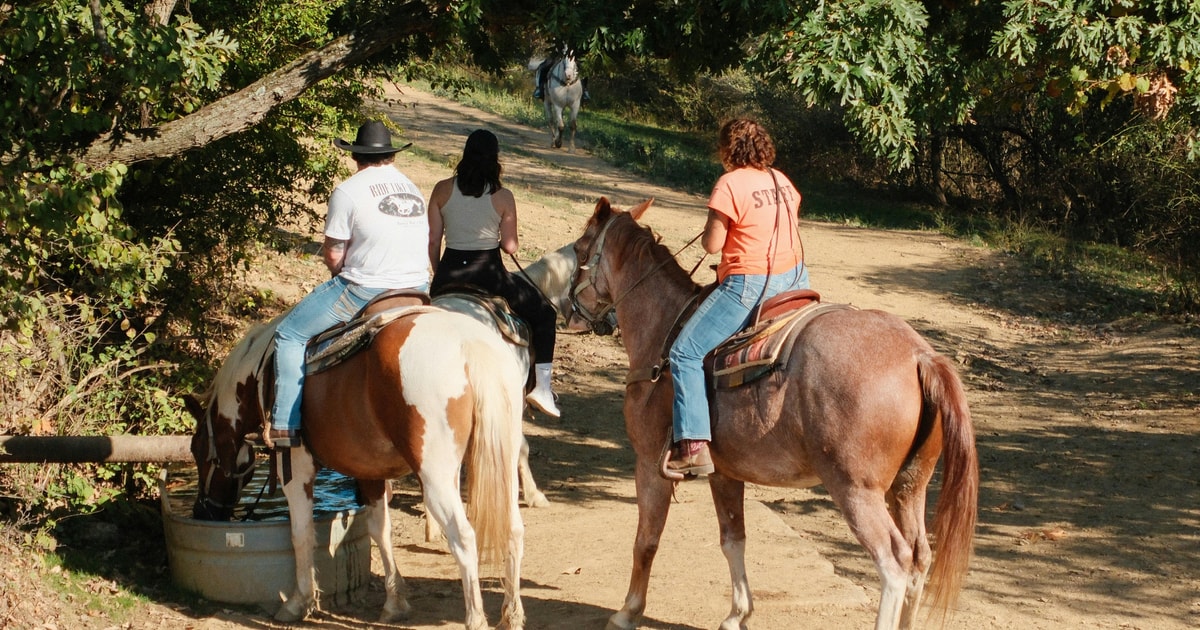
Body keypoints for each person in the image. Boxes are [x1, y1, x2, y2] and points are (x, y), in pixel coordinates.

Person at [266, 120, 429, 449]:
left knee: (290, 334)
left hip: (366, 287)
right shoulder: (412, 188)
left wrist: (338, 272)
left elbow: (334, 253)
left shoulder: (348, 191)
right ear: (391, 156)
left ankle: (285, 425)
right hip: (419, 288)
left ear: (357, 156)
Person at [664, 118, 809, 477]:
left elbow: (712, 244)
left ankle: (694, 445)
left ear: (728, 149)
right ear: (763, 146)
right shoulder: (782, 181)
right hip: (795, 278)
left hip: (751, 285)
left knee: (684, 353)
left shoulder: (729, 184)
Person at [427, 129, 561, 418]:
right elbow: (510, 245)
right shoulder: (503, 197)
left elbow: (434, 241)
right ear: (495, 159)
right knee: (545, 314)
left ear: (465, 154)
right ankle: (542, 388)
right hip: (489, 276)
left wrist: (440, 274)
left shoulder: (441, 189)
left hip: (448, 274)